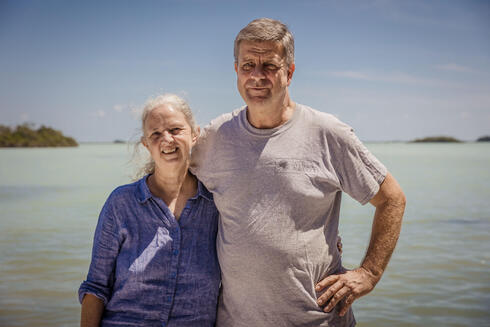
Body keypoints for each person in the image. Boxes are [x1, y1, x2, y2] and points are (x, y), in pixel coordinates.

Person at [190, 18, 406, 326]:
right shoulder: (215, 136)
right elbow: (173, 189)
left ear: (289, 72)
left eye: (269, 66)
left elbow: (392, 199)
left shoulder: (328, 133)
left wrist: (369, 273)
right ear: (235, 70)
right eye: (248, 65)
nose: (257, 76)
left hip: (317, 319)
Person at [78, 94, 220, 327]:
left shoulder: (217, 204)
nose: (167, 139)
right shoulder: (121, 203)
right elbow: (96, 287)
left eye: (175, 129)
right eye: (156, 134)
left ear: (194, 135)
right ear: (146, 144)